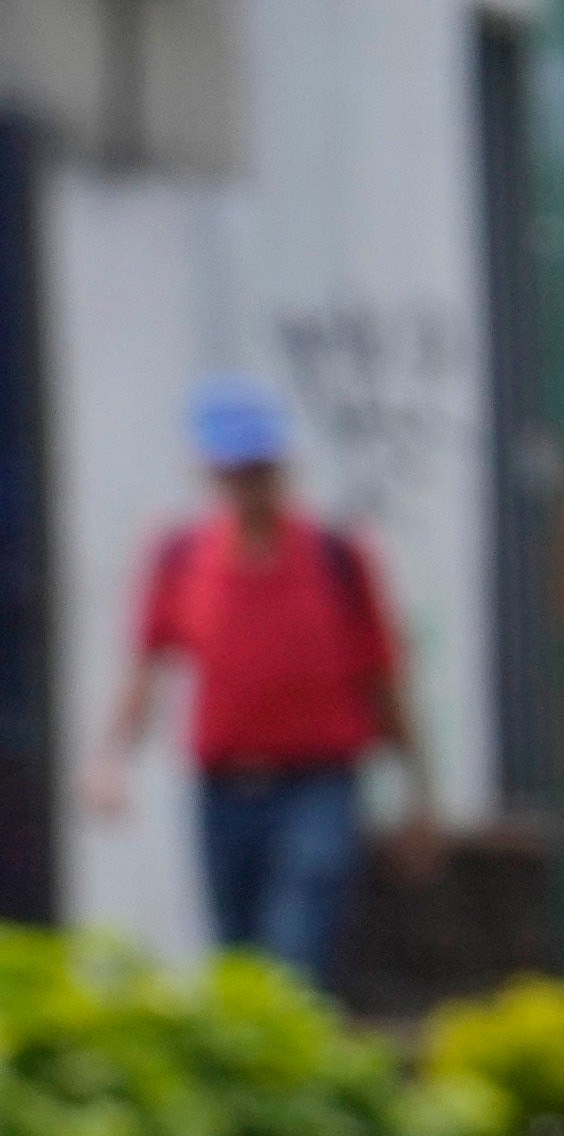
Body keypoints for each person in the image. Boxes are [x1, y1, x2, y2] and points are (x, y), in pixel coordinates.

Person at [89, 380, 412, 991]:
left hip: (319, 781)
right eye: (235, 472)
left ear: (282, 468)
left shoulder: (336, 556)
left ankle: (301, 1066)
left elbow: (383, 676)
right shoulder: (182, 557)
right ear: (213, 475)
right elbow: (146, 668)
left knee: (298, 935)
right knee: (236, 954)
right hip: (224, 788)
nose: (250, 486)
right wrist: (110, 760)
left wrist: (418, 790)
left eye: (260, 470)